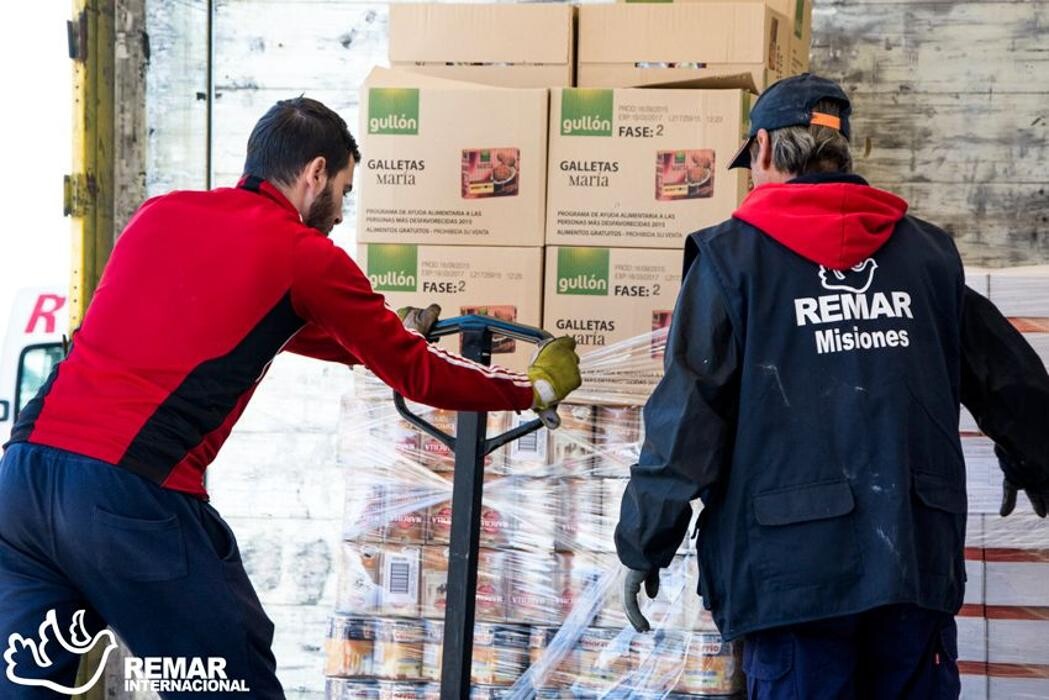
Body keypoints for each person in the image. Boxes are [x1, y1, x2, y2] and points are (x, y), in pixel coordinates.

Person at [0, 97, 581, 698]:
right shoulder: (305, 255)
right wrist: (530, 388)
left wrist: (381, 332)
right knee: (229, 676)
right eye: (343, 193)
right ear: (316, 174)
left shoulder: (159, 214)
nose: (337, 215)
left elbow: (271, 328)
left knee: (23, 683)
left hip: (20, 484)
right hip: (124, 498)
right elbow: (417, 376)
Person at [615, 74, 1049, 698]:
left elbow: (689, 417)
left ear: (763, 149)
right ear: (842, 150)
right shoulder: (926, 255)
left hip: (791, 579)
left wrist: (642, 541)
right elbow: (1006, 374)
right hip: (913, 559)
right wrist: (1035, 458)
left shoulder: (733, 261)